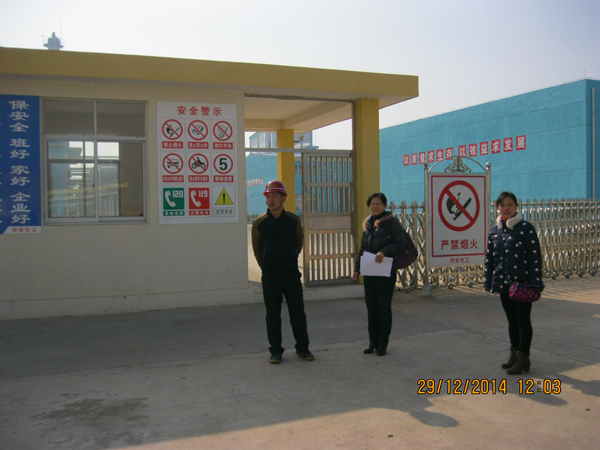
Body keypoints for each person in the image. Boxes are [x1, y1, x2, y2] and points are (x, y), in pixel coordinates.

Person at [251, 180, 314, 364]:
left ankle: (303, 348)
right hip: (270, 277)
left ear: (283, 198)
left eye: (274, 196)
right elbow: (257, 248)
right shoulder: (259, 223)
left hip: (291, 275)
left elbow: (298, 242)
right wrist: (266, 265)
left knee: (298, 314)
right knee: (272, 315)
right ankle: (275, 351)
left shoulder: (293, 220)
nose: (270, 200)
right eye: (268, 197)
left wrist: (290, 257)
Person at [484, 191, 543, 375]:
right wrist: (488, 280)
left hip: (522, 284)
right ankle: (515, 354)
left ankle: (524, 357)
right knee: (511, 321)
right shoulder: (494, 231)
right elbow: (490, 258)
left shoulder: (526, 228)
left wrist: (535, 281)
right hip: (504, 284)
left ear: (516, 206)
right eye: (502, 205)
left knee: (523, 321)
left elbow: (534, 257)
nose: (506, 208)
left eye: (510, 205)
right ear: (497, 208)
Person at [353, 193, 407, 356]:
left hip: (385, 271)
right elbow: (363, 248)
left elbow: (401, 244)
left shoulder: (392, 223)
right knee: (371, 307)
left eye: (378, 203)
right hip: (370, 271)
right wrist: (357, 268)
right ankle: (373, 342)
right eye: (372, 204)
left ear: (384, 205)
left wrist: (384, 252)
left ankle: (383, 343)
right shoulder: (368, 223)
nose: (375, 206)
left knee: (383, 307)